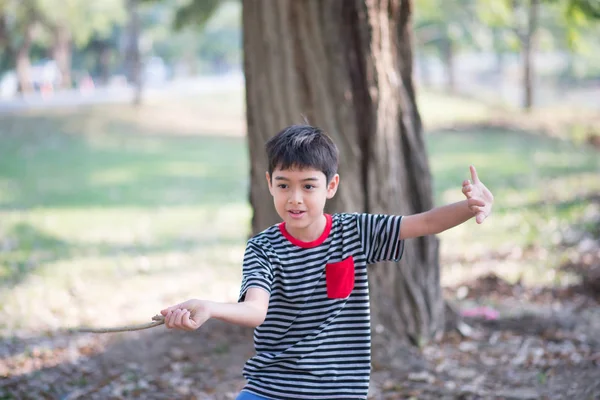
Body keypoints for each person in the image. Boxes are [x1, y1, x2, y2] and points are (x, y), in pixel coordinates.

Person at [160, 125, 494, 400]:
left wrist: (470, 207)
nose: (295, 198)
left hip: (339, 392)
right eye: (284, 185)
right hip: (272, 389)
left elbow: (421, 223)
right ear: (269, 184)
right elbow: (255, 310)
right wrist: (209, 308)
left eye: (308, 186)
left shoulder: (355, 231)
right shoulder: (262, 248)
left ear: (331, 186)